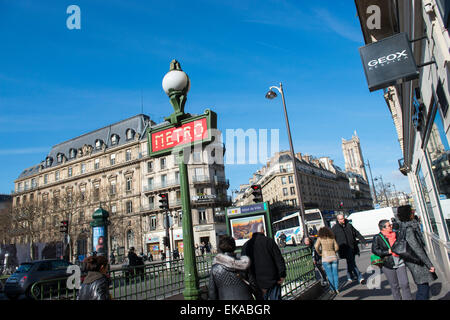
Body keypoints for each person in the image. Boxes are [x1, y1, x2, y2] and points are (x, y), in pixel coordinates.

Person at [397, 205, 436, 300]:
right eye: (411, 211)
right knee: (423, 289)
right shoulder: (409, 229)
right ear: (408, 214)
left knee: (423, 287)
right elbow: (417, 248)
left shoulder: (404, 226)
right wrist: (429, 264)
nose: (413, 212)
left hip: (413, 260)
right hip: (416, 261)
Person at [241, 223, 286, 300]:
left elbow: (244, 266)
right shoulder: (269, 241)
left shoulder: (246, 245)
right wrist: (282, 275)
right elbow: (279, 259)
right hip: (273, 280)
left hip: (256, 283)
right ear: (262, 230)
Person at [372, 219, 412, 300]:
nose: (391, 226)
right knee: (394, 286)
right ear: (383, 228)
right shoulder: (377, 237)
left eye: (390, 225)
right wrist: (387, 251)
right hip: (388, 264)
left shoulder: (396, 234)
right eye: (389, 225)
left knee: (405, 284)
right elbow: (374, 250)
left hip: (400, 262)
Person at [208, 235, 258, 300]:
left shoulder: (215, 269)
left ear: (220, 248)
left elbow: (212, 293)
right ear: (234, 247)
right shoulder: (243, 264)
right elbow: (254, 285)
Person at [331, 214, 367, 285]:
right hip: (343, 248)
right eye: (341, 219)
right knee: (352, 263)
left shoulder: (349, 225)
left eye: (343, 218)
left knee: (350, 261)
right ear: (338, 220)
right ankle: (360, 277)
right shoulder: (335, 228)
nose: (343, 220)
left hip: (352, 247)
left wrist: (363, 241)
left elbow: (357, 233)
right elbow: (332, 239)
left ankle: (349, 275)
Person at [314, 227, 340, 294]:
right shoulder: (332, 238)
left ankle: (332, 289)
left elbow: (316, 246)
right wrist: (333, 251)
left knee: (329, 275)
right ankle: (337, 288)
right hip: (333, 256)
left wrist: (320, 253)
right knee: (335, 274)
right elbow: (337, 247)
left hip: (325, 257)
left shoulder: (320, 238)